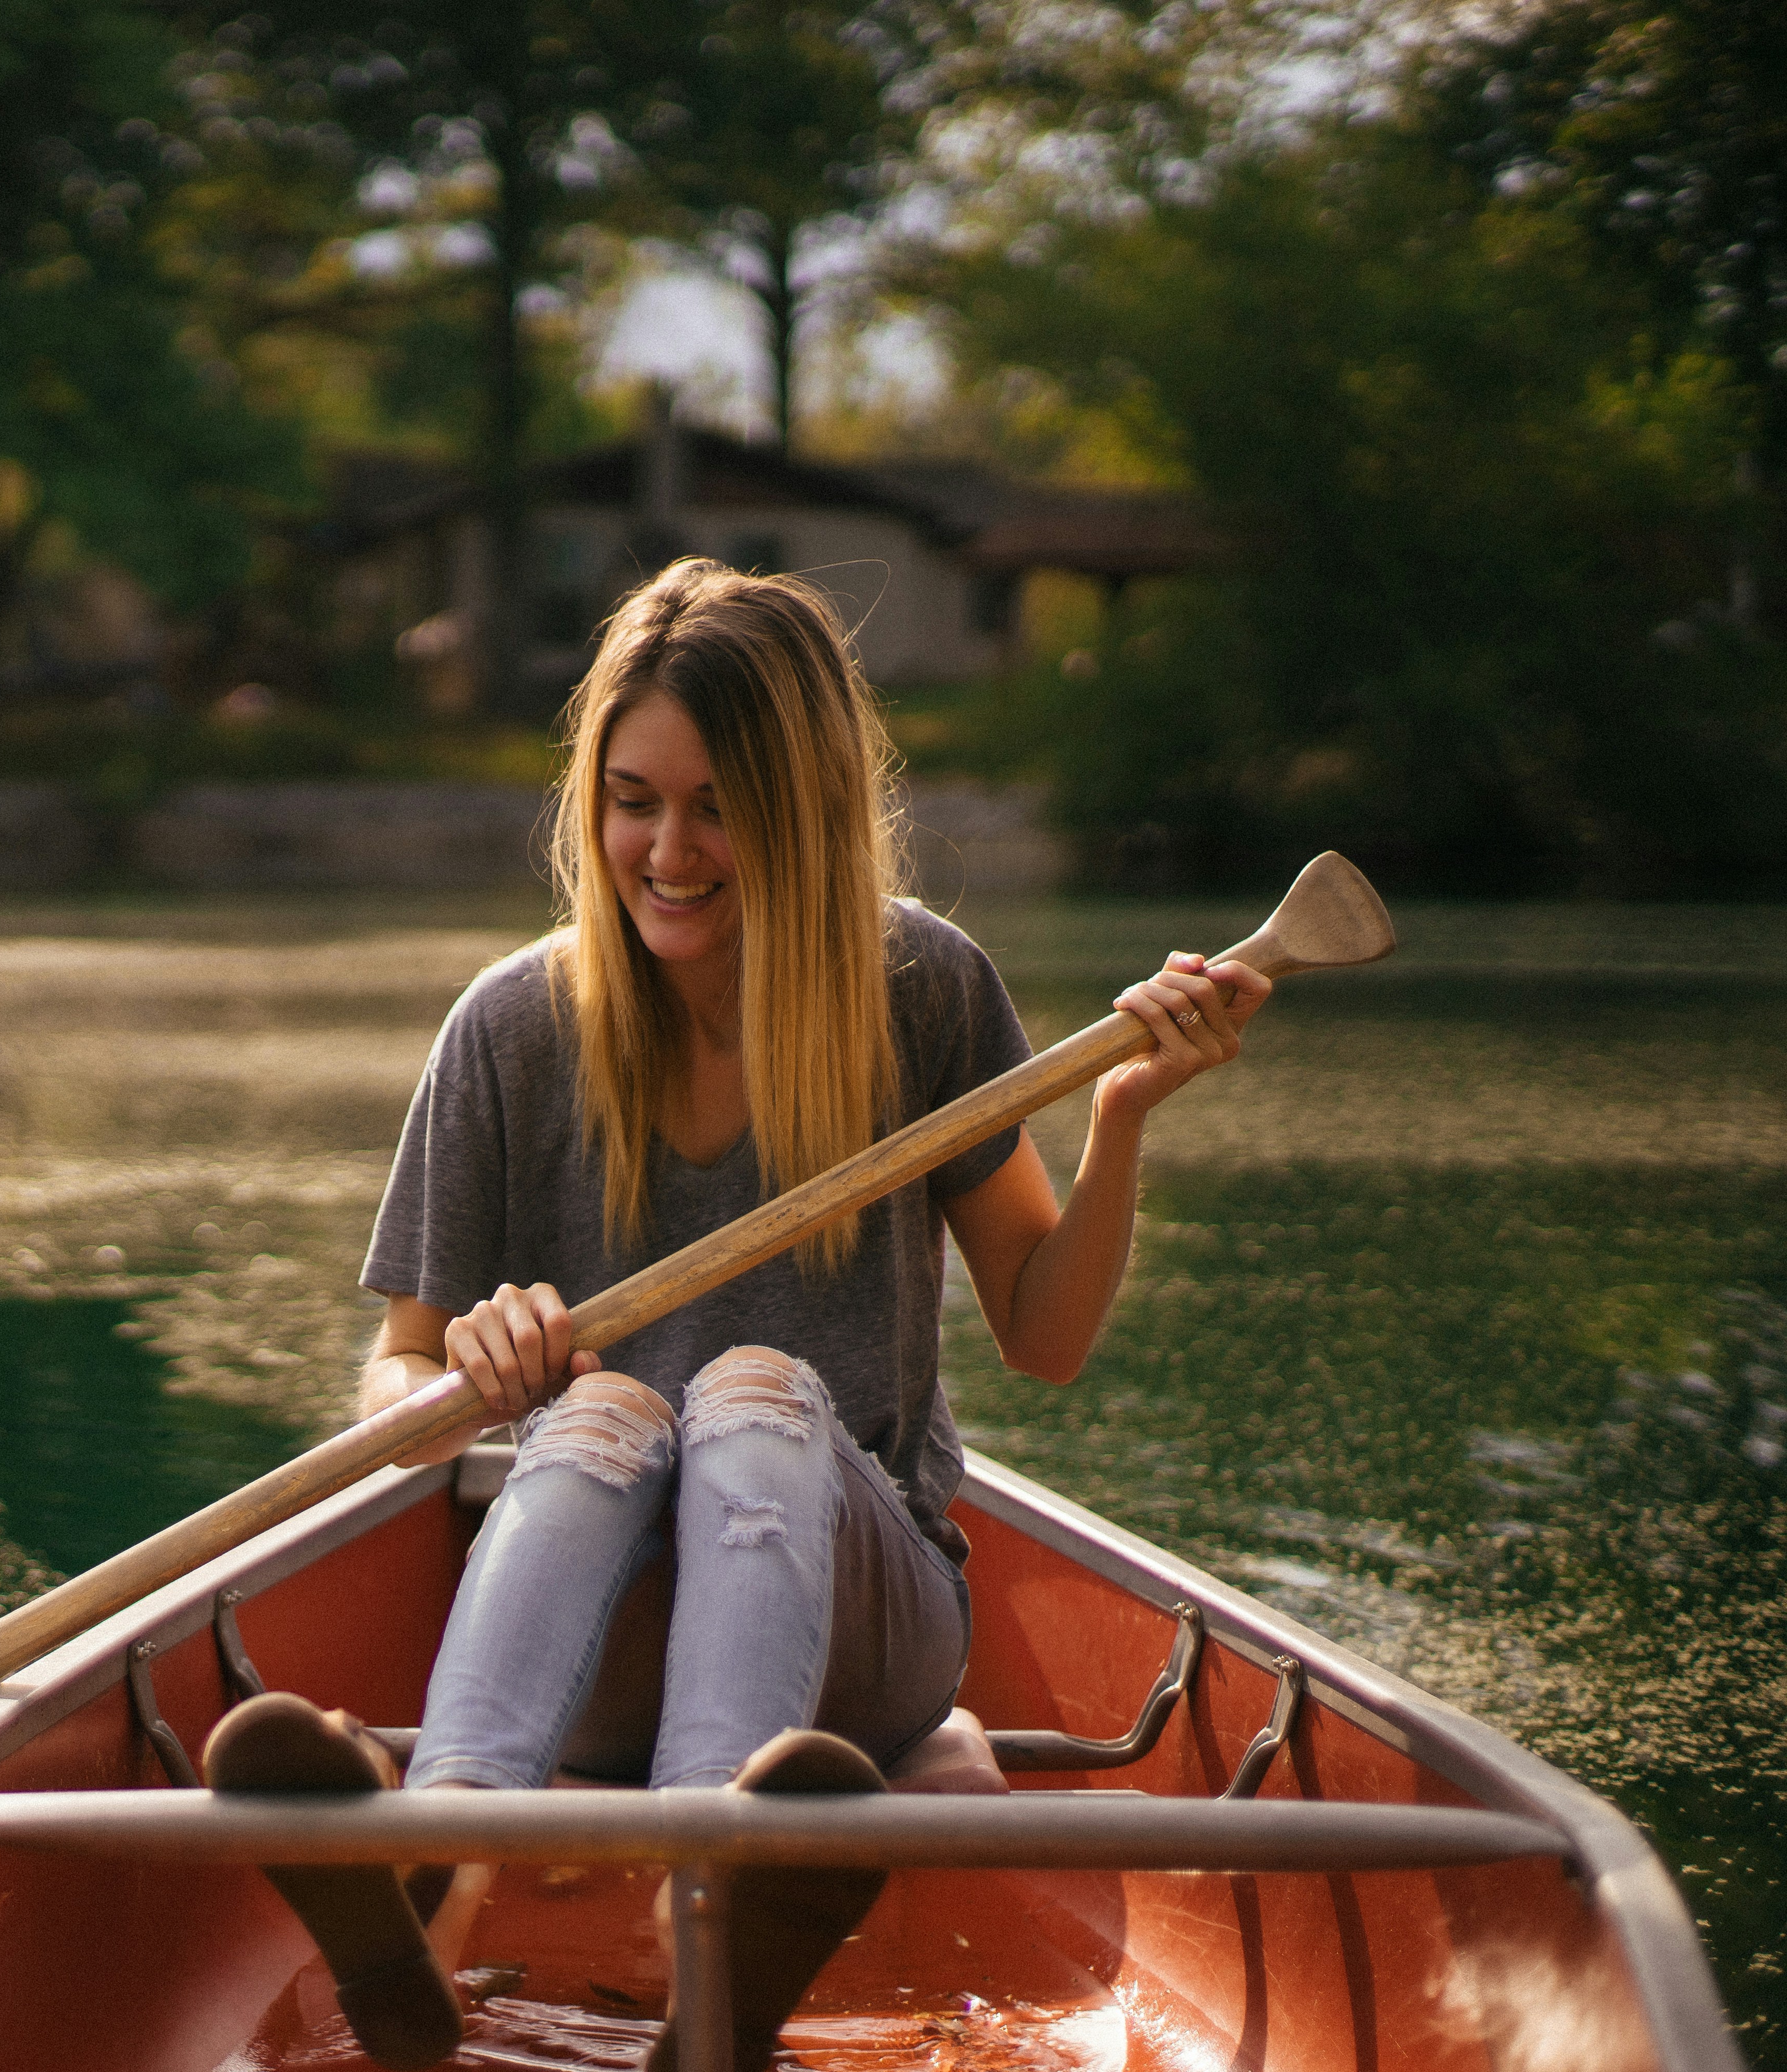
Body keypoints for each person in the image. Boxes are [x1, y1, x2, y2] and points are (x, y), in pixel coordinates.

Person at [200, 560, 1270, 2070]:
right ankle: (435, 1878)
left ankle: (717, 1898)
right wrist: (466, 1374)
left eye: (718, 806)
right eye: (634, 800)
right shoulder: (512, 1027)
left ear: (808, 806)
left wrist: (1124, 1117)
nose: (669, 850)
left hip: (862, 1652)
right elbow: (393, 1386)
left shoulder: (924, 994)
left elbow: (1046, 1335)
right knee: (607, 1408)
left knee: (752, 1388)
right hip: (597, 1653)